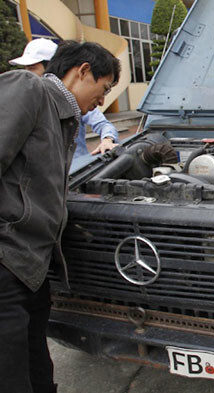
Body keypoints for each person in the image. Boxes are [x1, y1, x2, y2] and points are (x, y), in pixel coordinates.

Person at [0, 40, 120, 393]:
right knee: (10, 374)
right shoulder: (29, 88)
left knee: (37, 365)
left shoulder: (64, 116)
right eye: (105, 88)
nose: (103, 101)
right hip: (7, 262)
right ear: (82, 71)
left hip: (31, 269)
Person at [9, 38, 119, 161]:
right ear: (83, 71)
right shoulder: (22, 94)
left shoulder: (74, 105)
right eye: (28, 68)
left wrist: (108, 139)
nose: (101, 102)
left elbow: (103, 124)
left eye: (33, 68)